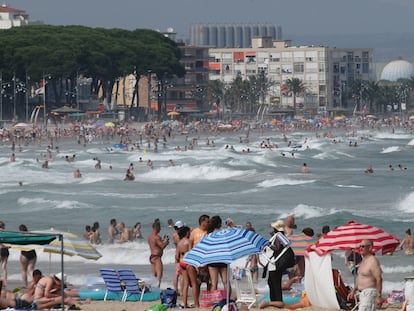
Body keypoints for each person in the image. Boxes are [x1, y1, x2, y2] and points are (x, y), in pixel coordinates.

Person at [347, 239, 383, 311]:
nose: (360, 248)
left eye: (363, 246)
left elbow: (379, 279)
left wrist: (379, 296)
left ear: (370, 248)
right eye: (360, 246)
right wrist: (353, 290)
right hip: (362, 294)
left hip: (369, 293)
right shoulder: (363, 261)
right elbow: (360, 278)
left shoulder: (373, 261)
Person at [187, 214, 210, 308]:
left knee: (209, 282)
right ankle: (197, 304)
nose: (208, 223)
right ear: (202, 222)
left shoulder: (209, 232)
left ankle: (208, 301)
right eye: (207, 221)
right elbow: (190, 246)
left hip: (207, 262)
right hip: (196, 262)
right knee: (197, 283)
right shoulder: (194, 232)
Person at [207, 215, 231, 296]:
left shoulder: (209, 235)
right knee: (226, 282)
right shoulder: (224, 233)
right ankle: (228, 299)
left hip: (212, 259)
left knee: (214, 283)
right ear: (219, 224)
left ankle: (214, 301)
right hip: (223, 258)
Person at [147, 221, 169, 287]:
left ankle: (152, 288)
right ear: (156, 228)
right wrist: (166, 242)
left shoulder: (150, 237)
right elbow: (162, 246)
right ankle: (158, 288)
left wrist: (163, 241)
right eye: (159, 228)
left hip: (152, 257)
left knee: (153, 275)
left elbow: (156, 245)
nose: (160, 229)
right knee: (159, 275)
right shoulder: (157, 237)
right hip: (157, 257)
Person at [175, 226, 191, 308]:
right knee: (192, 283)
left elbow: (177, 257)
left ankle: (185, 303)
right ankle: (188, 303)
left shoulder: (179, 243)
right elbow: (191, 253)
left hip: (181, 263)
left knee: (185, 283)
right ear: (187, 233)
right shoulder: (188, 241)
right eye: (189, 232)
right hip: (188, 263)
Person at [19, 224, 37, 288]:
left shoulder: (19, 236)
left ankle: (25, 285)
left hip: (24, 254)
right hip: (32, 253)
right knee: (31, 269)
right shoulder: (30, 235)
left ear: (20, 230)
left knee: (24, 270)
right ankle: (35, 283)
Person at [0, 221, 9, 285]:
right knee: (4, 267)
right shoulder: (5, 232)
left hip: (0, 249)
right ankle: (5, 282)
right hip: (6, 250)